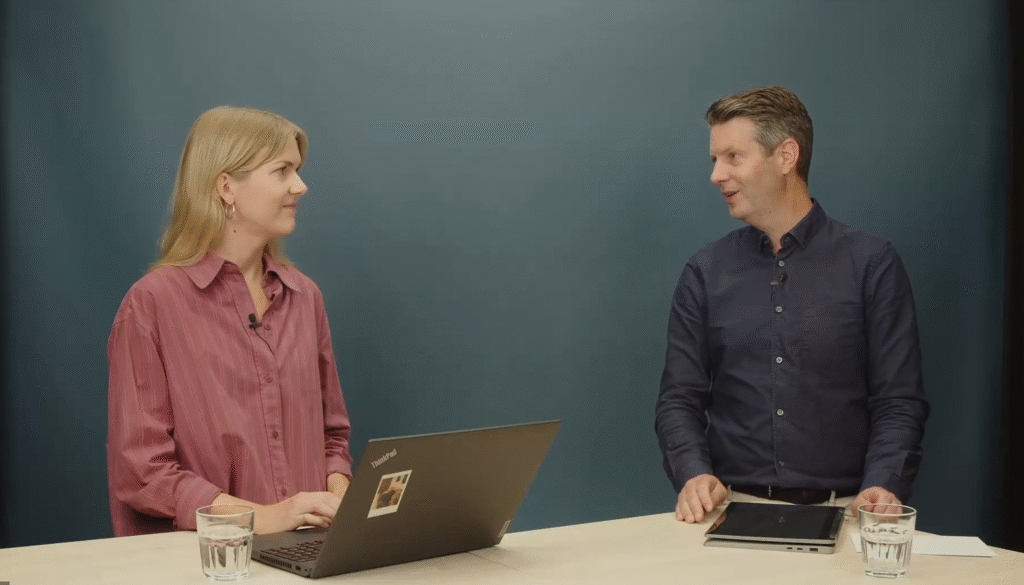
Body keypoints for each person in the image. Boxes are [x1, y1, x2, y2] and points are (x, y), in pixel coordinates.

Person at [654, 87, 929, 524]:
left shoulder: (871, 263)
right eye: (714, 160)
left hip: (850, 516)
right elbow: (678, 399)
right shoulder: (705, 271)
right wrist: (693, 473)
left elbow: (898, 400)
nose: (716, 175)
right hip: (730, 514)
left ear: (786, 156)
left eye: (732, 157)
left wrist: (884, 483)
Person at [107, 106, 353, 536]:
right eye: (282, 171)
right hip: (204, 564)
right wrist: (262, 517)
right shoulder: (152, 304)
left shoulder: (305, 297)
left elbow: (333, 437)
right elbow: (143, 472)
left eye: (298, 170)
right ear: (226, 187)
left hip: (308, 555)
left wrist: (338, 495)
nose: (301, 185)